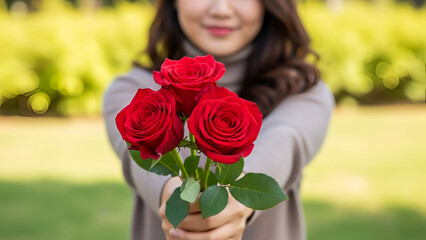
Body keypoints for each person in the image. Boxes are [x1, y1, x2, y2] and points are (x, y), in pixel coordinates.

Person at [103, 0, 335, 239]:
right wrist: (176, 196)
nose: (221, 10)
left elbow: (285, 140)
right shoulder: (129, 91)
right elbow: (137, 163)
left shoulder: (304, 91)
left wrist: (235, 199)